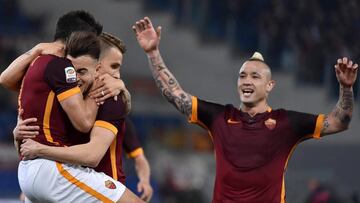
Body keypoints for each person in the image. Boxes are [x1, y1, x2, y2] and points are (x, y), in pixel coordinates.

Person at [132, 17, 358, 202]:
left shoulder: (286, 123)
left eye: (255, 76)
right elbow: (175, 95)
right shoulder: (219, 117)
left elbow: (339, 122)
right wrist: (153, 53)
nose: (246, 80)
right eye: (242, 76)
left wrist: (346, 88)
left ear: (270, 85)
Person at [0, 10, 144, 202]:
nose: (76, 78)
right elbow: (84, 123)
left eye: (84, 71)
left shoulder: (108, 97)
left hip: (44, 173)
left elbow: (5, 80)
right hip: (54, 172)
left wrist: (119, 85)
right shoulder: (62, 74)